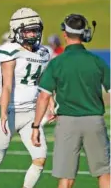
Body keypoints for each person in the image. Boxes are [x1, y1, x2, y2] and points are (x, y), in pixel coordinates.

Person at [31, 14, 110, 188]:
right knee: (104, 174)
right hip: (95, 121)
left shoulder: (57, 63)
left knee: (66, 178)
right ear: (86, 34)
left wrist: (36, 126)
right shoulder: (97, 61)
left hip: (67, 123)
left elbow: (44, 96)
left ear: (65, 34)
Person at [0, 7, 51, 188]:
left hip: (31, 114)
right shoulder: (10, 50)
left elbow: (44, 83)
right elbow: (7, 85)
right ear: (16, 30)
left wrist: (51, 103)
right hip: (10, 111)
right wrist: (2, 113)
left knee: (40, 159)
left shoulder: (43, 52)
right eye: (28, 30)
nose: (33, 34)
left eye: (35, 30)